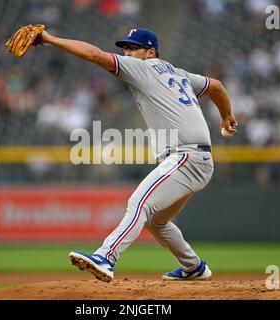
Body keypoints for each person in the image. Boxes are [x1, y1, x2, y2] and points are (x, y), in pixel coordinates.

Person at [39, 27, 237, 282]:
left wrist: (50, 38)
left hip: (186, 157)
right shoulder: (180, 74)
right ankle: (194, 267)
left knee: (138, 203)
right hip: (195, 160)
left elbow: (95, 55)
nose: (127, 53)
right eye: (125, 48)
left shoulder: (144, 68)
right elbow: (217, 86)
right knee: (157, 222)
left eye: (133, 48)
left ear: (150, 52)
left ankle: (106, 257)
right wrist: (227, 117)